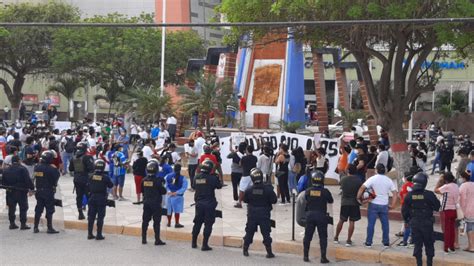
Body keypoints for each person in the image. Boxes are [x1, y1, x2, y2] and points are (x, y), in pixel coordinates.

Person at [402, 172, 441, 266]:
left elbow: (404, 211)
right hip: (427, 223)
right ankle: (429, 264)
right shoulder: (429, 194)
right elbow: (437, 206)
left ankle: (419, 264)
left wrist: (407, 221)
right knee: (429, 244)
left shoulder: (409, 195)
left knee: (417, 244)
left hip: (415, 223)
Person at [357, 163, 398, 248]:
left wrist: (358, 198)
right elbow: (395, 193)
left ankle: (369, 242)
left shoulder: (373, 179)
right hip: (384, 205)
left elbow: (362, 187)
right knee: (385, 224)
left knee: (371, 224)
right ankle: (386, 242)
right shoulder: (388, 180)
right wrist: (393, 204)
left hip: (373, 204)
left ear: (376, 170)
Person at [242, 168, 277, 258]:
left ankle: (245, 250)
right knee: (266, 233)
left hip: (252, 214)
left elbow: (245, 200)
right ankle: (269, 252)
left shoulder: (249, 189)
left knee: (249, 232)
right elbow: (274, 200)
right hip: (264, 214)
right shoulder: (267, 189)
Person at [301, 170, 334, 263]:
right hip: (321, 216)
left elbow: (306, 199)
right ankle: (323, 257)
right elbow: (331, 201)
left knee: (308, 236)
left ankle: (305, 256)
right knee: (323, 237)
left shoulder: (308, 191)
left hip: (310, 215)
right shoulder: (325, 191)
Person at [191, 159, 222, 251]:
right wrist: (216, 176)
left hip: (199, 204)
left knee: (197, 223)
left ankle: (194, 242)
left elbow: (193, 186)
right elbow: (219, 186)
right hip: (209, 204)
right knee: (208, 224)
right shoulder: (212, 178)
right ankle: (204, 245)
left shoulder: (196, 177)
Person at [2, 156, 34, 230]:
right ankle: (23, 224)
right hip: (21, 192)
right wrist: (32, 188)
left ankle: (12, 223)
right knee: (23, 208)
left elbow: (3, 183)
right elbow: (28, 180)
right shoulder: (23, 169)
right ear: (19, 161)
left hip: (10, 192)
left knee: (11, 208)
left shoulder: (6, 170)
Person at [334, 164, 362, 247]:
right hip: (354, 203)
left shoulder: (343, 179)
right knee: (352, 222)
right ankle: (348, 240)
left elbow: (340, 185)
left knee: (341, 220)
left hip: (345, 203)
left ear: (348, 170)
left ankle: (336, 237)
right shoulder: (358, 180)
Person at [33, 151, 60, 234]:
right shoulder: (52, 169)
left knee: (38, 209)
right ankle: (49, 227)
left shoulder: (37, 167)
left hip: (39, 191)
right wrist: (55, 168)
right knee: (49, 209)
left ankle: (35, 227)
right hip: (48, 191)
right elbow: (56, 177)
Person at [141, 160, 167, 245]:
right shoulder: (158, 180)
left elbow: (142, 191)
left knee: (145, 221)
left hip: (146, 202)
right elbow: (163, 191)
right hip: (155, 203)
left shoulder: (144, 180)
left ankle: (144, 238)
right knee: (156, 222)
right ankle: (157, 239)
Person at [87, 159, 113, 240]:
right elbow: (111, 185)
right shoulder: (105, 177)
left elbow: (87, 186)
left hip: (92, 197)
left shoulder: (90, 176)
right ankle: (99, 234)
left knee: (91, 217)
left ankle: (90, 234)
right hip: (101, 198)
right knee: (100, 217)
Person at [435, 172, 459, 254]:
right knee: (452, 229)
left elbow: (436, 190)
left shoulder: (446, 187)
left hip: (446, 210)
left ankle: (446, 248)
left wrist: (439, 181)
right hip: (454, 209)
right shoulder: (456, 186)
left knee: (446, 230)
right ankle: (452, 247)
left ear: (445, 179)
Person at [69, 142, 94, 220]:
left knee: (79, 197)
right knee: (89, 196)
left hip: (77, 179)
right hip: (86, 179)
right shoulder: (87, 157)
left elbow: (70, 169)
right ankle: (91, 214)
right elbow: (92, 169)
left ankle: (80, 213)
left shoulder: (73, 157)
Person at [165, 164, 188, 228]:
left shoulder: (168, 176)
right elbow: (184, 187)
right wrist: (176, 192)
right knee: (177, 210)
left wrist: (169, 191)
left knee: (169, 210)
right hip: (177, 196)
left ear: (173, 169)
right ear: (180, 169)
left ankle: (169, 222)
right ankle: (177, 223)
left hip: (169, 195)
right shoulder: (183, 178)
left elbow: (165, 185)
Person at [397, 170, 415, 246]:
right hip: (413, 207)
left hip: (406, 207)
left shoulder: (405, 186)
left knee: (407, 224)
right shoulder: (413, 185)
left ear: (406, 178)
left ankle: (406, 241)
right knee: (412, 223)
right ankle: (412, 239)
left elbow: (405, 198)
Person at [459, 170, 474, 252]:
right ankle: (470, 245)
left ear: (464, 178)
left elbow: (462, 200)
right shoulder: (473, 184)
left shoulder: (463, 186)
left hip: (468, 210)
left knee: (469, 228)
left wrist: (462, 211)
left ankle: (471, 246)